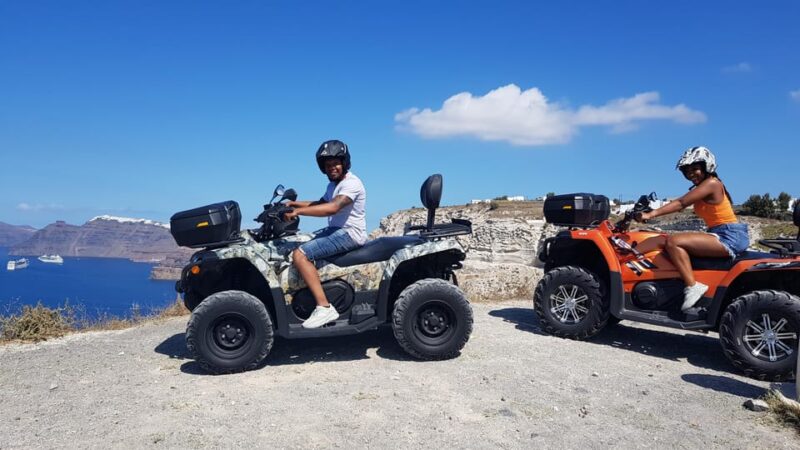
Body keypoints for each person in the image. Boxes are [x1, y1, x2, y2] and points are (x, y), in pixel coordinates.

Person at [635, 146, 749, 311]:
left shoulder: (712, 183)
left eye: (695, 169)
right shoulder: (702, 188)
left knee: (674, 242)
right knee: (664, 238)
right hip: (719, 233)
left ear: (707, 166)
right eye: (687, 171)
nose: (691, 174)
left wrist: (651, 215)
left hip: (729, 236)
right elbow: (679, 206)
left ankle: (693, 286)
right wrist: (648, 212)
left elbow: (681, 202)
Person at [283, 140, 367, 328]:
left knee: (300, 254)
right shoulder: (333, 185)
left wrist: (298, 213)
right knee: (299, 241)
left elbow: (332, 208)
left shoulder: (352, 183)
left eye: (336, 164)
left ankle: (324, 306)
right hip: (336, 231)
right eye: (328, 165)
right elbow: (319, 203)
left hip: (350, 234)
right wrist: (293, 204)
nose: (332, 168)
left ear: (344, 163)